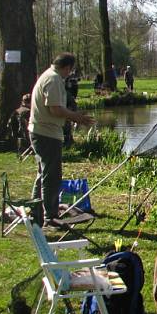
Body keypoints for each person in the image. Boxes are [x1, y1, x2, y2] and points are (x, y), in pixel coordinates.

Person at [29, 53, 94, 224]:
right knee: (51, 176)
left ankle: (35, 211)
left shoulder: (48, 76)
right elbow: (55, 109)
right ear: (67, 67)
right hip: (46, 133)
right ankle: (50, 216)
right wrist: (77, 117)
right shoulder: (54, 79)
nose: (70, 74)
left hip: (42, 131)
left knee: (44, 173)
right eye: (70, 70)